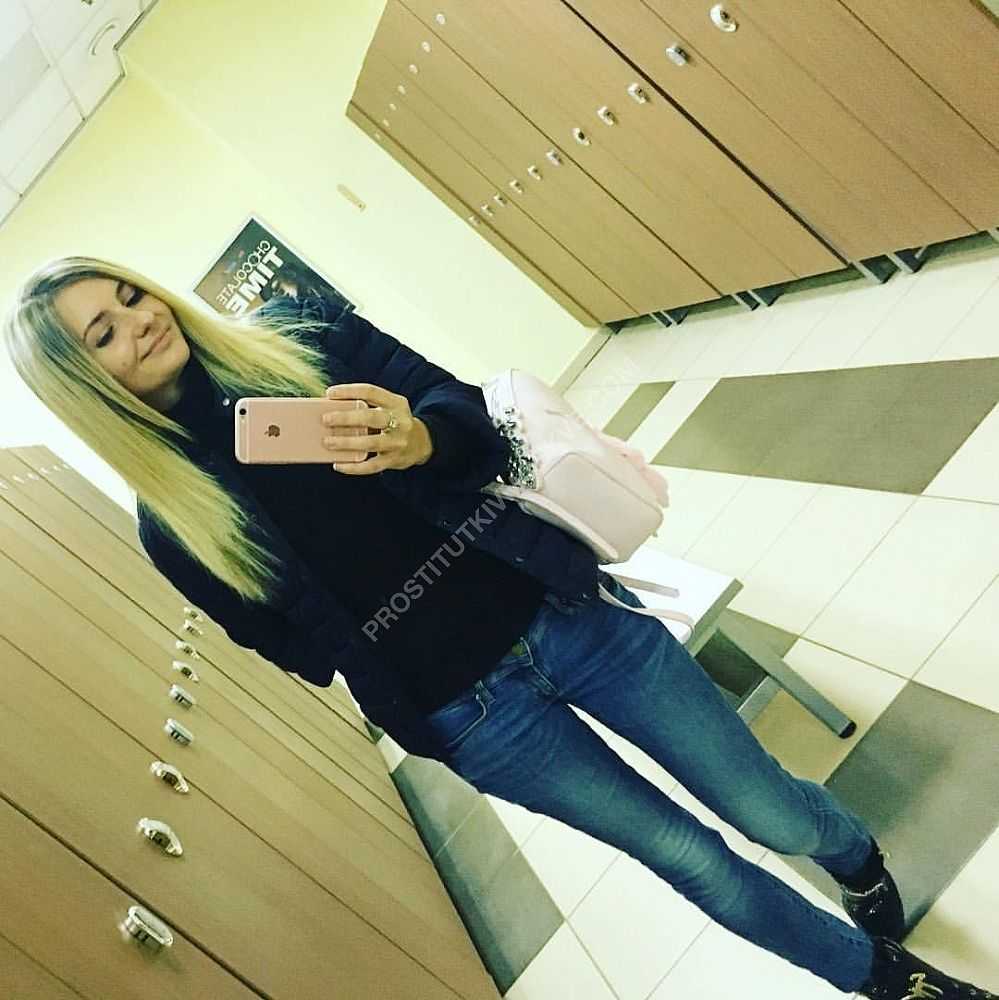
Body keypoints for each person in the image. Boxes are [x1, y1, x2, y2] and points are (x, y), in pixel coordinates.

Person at [4, 255, 994, 1000]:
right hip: (474, 720)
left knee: (766, 806)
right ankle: (887, 981)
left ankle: (853, 857)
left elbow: (463, 410)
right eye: (103, 335)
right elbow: (289, 650)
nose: (139, 322)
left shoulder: (299, 338)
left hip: (558, 612)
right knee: (690, 860)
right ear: (84, 385)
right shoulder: (174, 523)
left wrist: (417, 436)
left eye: (129, 296)